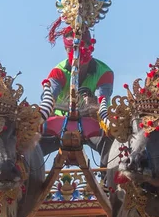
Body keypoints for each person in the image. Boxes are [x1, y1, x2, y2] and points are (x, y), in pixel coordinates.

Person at [40, 26, 113, 169]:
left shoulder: (104, 72)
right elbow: (49, 98)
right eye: (71, 50)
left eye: (81, 48)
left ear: (90, 46)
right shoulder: (58, 72)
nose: (77, 55)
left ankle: (107, 180)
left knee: (112, 141)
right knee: (31, 142)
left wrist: (92, 105)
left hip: (94, 120)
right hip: (61, 123)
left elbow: (103, 101)